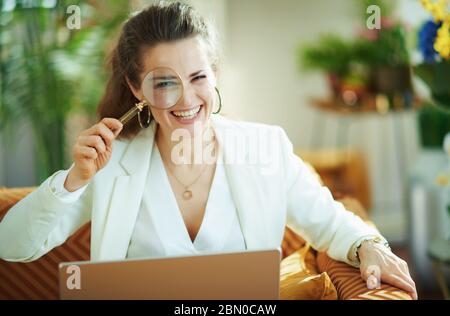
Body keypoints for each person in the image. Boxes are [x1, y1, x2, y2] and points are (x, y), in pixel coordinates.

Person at [0, 1, 417, 299]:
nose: (186, 99)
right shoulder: (110, 164)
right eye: (164, 82)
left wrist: (369, 247)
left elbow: (330, 222)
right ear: (135, 88)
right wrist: (74, 181)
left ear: (214, 74)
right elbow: (12, 244)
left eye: (197, 76)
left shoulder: (265, 147)